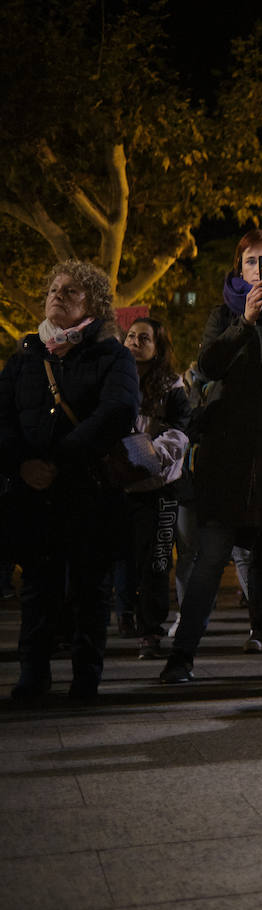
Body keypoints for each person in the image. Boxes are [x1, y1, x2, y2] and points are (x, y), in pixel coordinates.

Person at [159, 230, 262, 684]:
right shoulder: (223, 314)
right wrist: (245, 323)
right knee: (211, 553)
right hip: (228, 455)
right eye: (251, 261)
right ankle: (182, 656)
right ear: (239, 269)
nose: (258, 269)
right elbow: (207, 367)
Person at [0, 260, 139, 701]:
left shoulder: (111, 354)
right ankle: (33, 676)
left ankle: (85, 678)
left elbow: (117, 411)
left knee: (89, 589)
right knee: (37, 590)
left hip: (88, 492)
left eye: (71, 291)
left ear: (93, 306)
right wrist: (22, 464)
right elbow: (2, 419)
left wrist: (59, 459)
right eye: (54, 289)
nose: (58, 295)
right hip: (33, 494)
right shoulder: (24, 358)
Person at [116, 318, 191, 660]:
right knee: (123, 557)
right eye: (130, 335)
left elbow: (180, 430)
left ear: (158, 346)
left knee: (156, 561)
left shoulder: (171, 386)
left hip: (158, 487)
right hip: (117, 484)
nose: (134, 341)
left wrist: (148, 457)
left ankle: (150, 630)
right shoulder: (113, 379)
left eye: (143, 338)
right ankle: (123, 613)